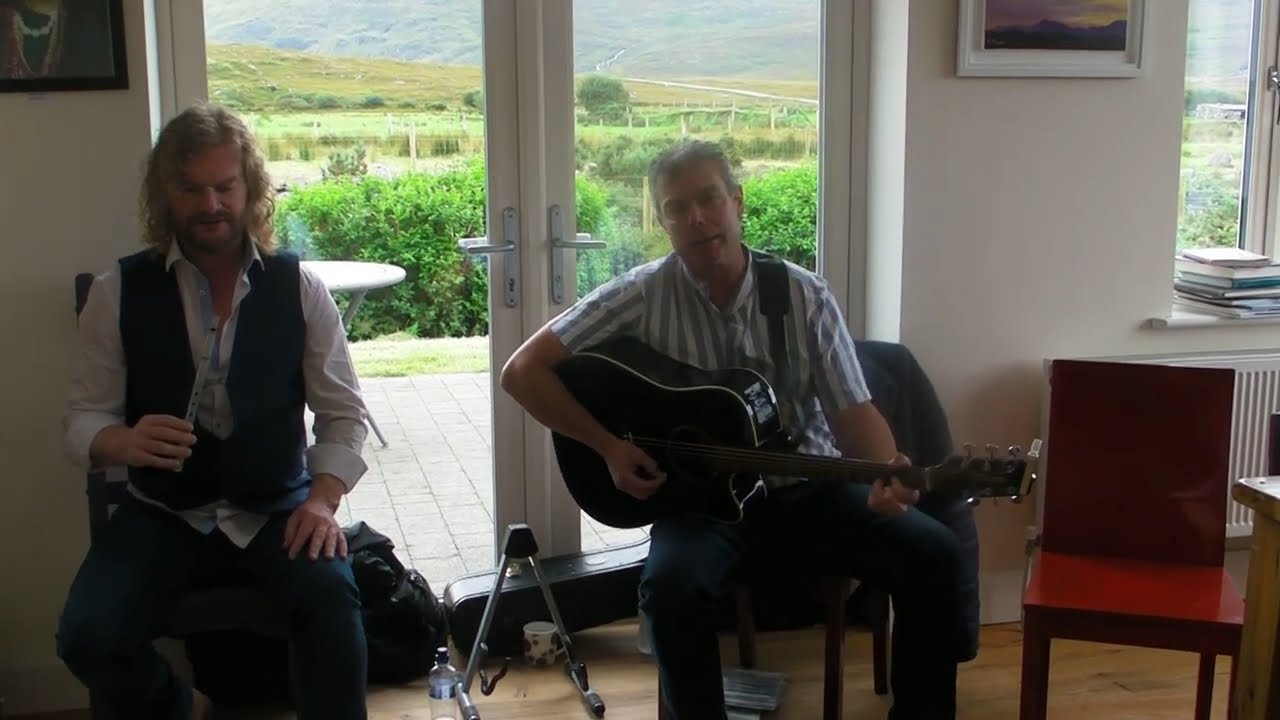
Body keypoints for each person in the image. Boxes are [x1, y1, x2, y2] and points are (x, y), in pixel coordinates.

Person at [500, 139, 964, 719]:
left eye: (709, 199)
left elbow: (853, 415)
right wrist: (609, 448)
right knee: (668, 591)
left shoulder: (801, 293)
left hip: (810, 492)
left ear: (737, 203)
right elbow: (521, 372)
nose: (696, 217)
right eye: (676, 207)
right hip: (702, 505)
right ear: (663, 221)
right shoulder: (641, 294)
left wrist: (886, 473)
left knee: (934, 553)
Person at [58, 103, 370, 719]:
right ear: (164, 193)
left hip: (278, 508)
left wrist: (321, 500)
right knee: (86, 637)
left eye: (225, 187)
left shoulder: (300, 288)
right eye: (191, 188)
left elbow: (344, 415)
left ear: (249, 188)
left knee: (333, 603)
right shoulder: (115, 292)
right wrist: (122, 442)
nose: (210, 205)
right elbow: (80, 420)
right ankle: (187, 709)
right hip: (162, 513)